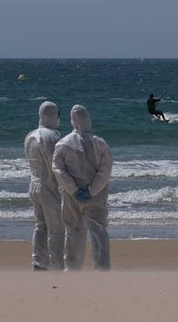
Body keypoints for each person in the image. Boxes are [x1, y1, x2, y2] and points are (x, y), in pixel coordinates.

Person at [53, 105, 113, 271]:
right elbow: (105, 170)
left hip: (71, 196)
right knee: (99, 231)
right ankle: (102, 269)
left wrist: (73, 189)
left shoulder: (62, 144)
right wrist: (92, 190)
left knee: (72, 231)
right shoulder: (99, 142)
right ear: (87, 119)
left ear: (72, 121)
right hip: (96, 196)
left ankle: (72, 268)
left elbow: (58, 170)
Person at [24, 101, 63, 271]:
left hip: (34, 185)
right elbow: (57, 165)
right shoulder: (52, 137)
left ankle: (39, 261)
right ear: (53, 115)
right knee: (56, 228)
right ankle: (56, 264)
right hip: (49, 187)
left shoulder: (30, 136)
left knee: (40, 225)